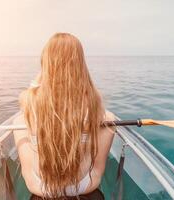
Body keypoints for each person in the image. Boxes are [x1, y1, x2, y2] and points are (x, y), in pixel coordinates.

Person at [13, 33, 115, 200]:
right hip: (85, 186)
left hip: (39, 187)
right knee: (108, 119)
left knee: (19, 121)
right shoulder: (94, 107)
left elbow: (29, 94)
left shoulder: (29, 102)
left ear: (45, 64)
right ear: (81, 64)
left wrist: (44, 73)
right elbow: (97, 173)